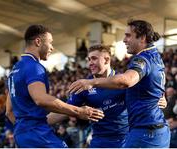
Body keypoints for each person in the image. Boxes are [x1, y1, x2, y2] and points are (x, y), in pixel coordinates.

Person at [68, 20, 171, 148]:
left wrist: (91, 82)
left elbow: (126, 81)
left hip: (145, 132)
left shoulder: (142, 59)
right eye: (88, 59)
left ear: (142, 38)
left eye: (128, 35)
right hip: (152, 130)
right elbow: (152, 84)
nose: (124, 40)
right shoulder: (154, 56)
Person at [48, 45, 167, 147]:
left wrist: (161, 99)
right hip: (100, 141)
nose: (90, 63)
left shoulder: (123, 81)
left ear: (106, 60)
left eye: (94, 59)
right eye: (89, 59)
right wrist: (39, 122)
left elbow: (151, 88)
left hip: (126, 139)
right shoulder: (84, 86)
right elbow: (65, 111)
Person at [5, 25, 104, 148]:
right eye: (50, 42)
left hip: (21, 135)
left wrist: (24, 130)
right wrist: (78, 111)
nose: (52, 47)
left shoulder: (14, 70)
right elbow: (40, 99)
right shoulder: (34, 67)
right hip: (38, 133)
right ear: (38, 41)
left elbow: (9, 111)